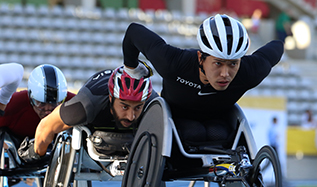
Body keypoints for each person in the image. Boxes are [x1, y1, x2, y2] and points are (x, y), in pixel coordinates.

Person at [121, 14, 283, 149]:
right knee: (194, 132)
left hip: (218, 121)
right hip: (175, 120)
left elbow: (277, 46)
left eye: (233, 63)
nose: (225, 74)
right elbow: (134, 31)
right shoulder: (174, 63)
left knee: (217, 133)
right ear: (200, 58)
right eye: (218, 63)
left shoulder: (249, 72)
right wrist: (131, 69)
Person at [25, 63, 158, 162]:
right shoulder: (85, 105)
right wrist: (38, 154)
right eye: (124, 107)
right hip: (93, 123)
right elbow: (46, 126)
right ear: (111, 98)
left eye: (137, 108)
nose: (131, 116)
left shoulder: (153, 106)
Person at [0, 63, 75, 187]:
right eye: (41, 104)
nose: (47, 110)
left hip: (55, 143)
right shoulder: (15, 104)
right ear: (30, 97)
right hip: (19, 143)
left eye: (54, 105)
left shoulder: (72, 102)